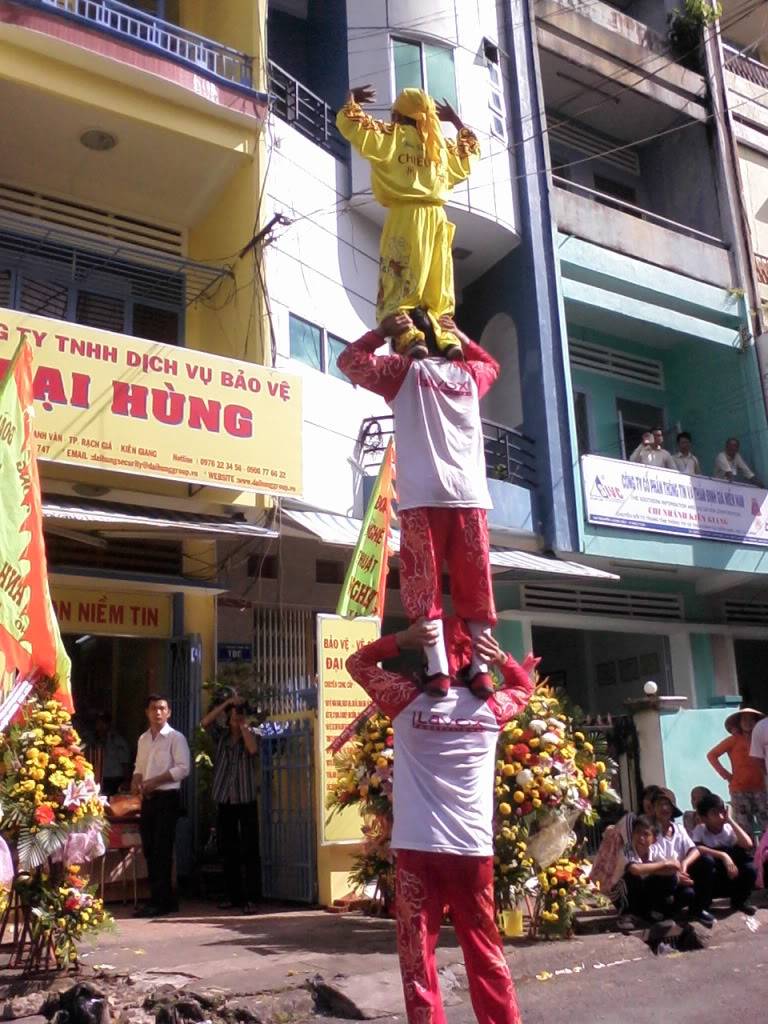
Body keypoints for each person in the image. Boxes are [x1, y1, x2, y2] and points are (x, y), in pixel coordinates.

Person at [346, 617, 537, 1024]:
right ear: (475, 664)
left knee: (419, 960)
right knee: (485, 951)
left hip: (417, 850)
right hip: (472, 853)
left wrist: (400, 639)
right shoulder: (492, 709)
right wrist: (503, 659)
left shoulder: (403, 699)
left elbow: (357, 664)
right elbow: (524, 688)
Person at [337, 314, 500, 698]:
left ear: (405, 341)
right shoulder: (470, 375)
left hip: (422, 497)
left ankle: (439, 669)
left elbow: (349, 360)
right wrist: (459, 334)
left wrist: (380, 332)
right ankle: (480, 671)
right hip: (470, 496)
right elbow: (493, 364)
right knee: (475, 586)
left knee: (422, 586)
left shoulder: (402, 370)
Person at [336, 84, 479, 356]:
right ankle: (448, 340)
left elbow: (350, 123)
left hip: (406, 217)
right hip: (437, 219)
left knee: (399, 283)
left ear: (399, 115)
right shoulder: (439, 146)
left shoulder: (392, 136)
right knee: (437, 290)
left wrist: (351, 99)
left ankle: (409, 338)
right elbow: (471, 150)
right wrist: (455, 121)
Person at [200, 694, 261, 913]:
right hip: (225, 797)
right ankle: (234, 896)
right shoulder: (222, 736)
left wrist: (243, 726)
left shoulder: (252, 733)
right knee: (228, 849)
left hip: (244, 798)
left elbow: (253, 750)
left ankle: (251, 898)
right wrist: (227, 704)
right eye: (234, 716)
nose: (236, 718)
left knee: (249, 849)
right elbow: (205, 723)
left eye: (240, 714)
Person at [131, 694, 190, 918]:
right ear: (147, 712)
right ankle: (160, 898)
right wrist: (136, 780)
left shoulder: (176, 738)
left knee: (162, 850)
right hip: (148, 799)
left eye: (162, 708)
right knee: (149, 849)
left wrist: (155, 781)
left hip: (167, 798)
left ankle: (162, 900)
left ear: (169, 712)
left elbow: (183, 768)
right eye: (154, 709)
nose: (158, 713)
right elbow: (139, 766)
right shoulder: (143, 739)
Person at [650, 788, 711, 925]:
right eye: (660, 804)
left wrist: (685, 864)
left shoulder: (678, 829)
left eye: (668, 804)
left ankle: (698, 909)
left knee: (705, 862)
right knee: (672, 884)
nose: (664, 808)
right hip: (659, 879)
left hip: (679, 875)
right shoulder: (649, 831)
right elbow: (647, 864)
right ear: (653, 808)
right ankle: (660, 912)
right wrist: (675, 875)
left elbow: (694, 850)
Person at [692, 792, 757, 916]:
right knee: (705, 862)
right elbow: (697, 848)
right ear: (704, 818)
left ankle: (739, 902)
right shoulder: (700, 830)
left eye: (722, 812)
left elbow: (748, 844)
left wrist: (731, 820)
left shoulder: (728, 829)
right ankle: (704, 905)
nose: (721, 817)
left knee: (750, 867)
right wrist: (723, 856)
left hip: (731, 874)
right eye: (715, 814)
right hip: (714, 876)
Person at [707, 708, 767, 836]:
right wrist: (726, 775)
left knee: (765, 824)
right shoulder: (733, 740)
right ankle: (749, 854)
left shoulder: (761, 739)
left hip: (761, 788)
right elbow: (712, 755)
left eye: (751, 719)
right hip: (739, 789)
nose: (748, 723)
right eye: (745, 720)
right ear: (738, 723)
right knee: (744, 826)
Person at [623, 816, 692, 921]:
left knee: (687, 892)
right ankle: (633, 913)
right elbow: (635, 869)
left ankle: (661, 912)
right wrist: (664, 864)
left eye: (646, 834)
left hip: (649, 889)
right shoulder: (628, 849)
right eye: (637, 832)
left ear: (654, 839)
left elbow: (674, 867)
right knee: (632, 877)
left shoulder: (655, 849)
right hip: (628, 894)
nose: (641, 837)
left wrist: (663, 869)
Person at [91, 713, 131, 797]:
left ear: (108, 724)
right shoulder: (94, 741)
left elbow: (125, 762)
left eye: (103, 723)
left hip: (114, 778)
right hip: (99, 777)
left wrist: (127, 780)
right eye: (98, 723)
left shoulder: (118, 741)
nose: (100, 726)